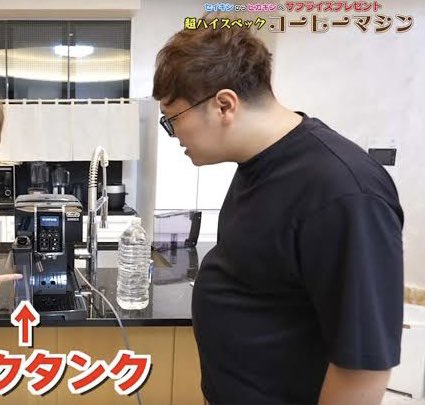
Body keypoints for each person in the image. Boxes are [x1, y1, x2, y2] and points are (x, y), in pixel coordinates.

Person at [152, 21, 404, 405]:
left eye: (173, 119)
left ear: (224, 105)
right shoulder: (257, 165)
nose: (174, 135)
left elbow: (362, 367)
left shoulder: (343, 191)